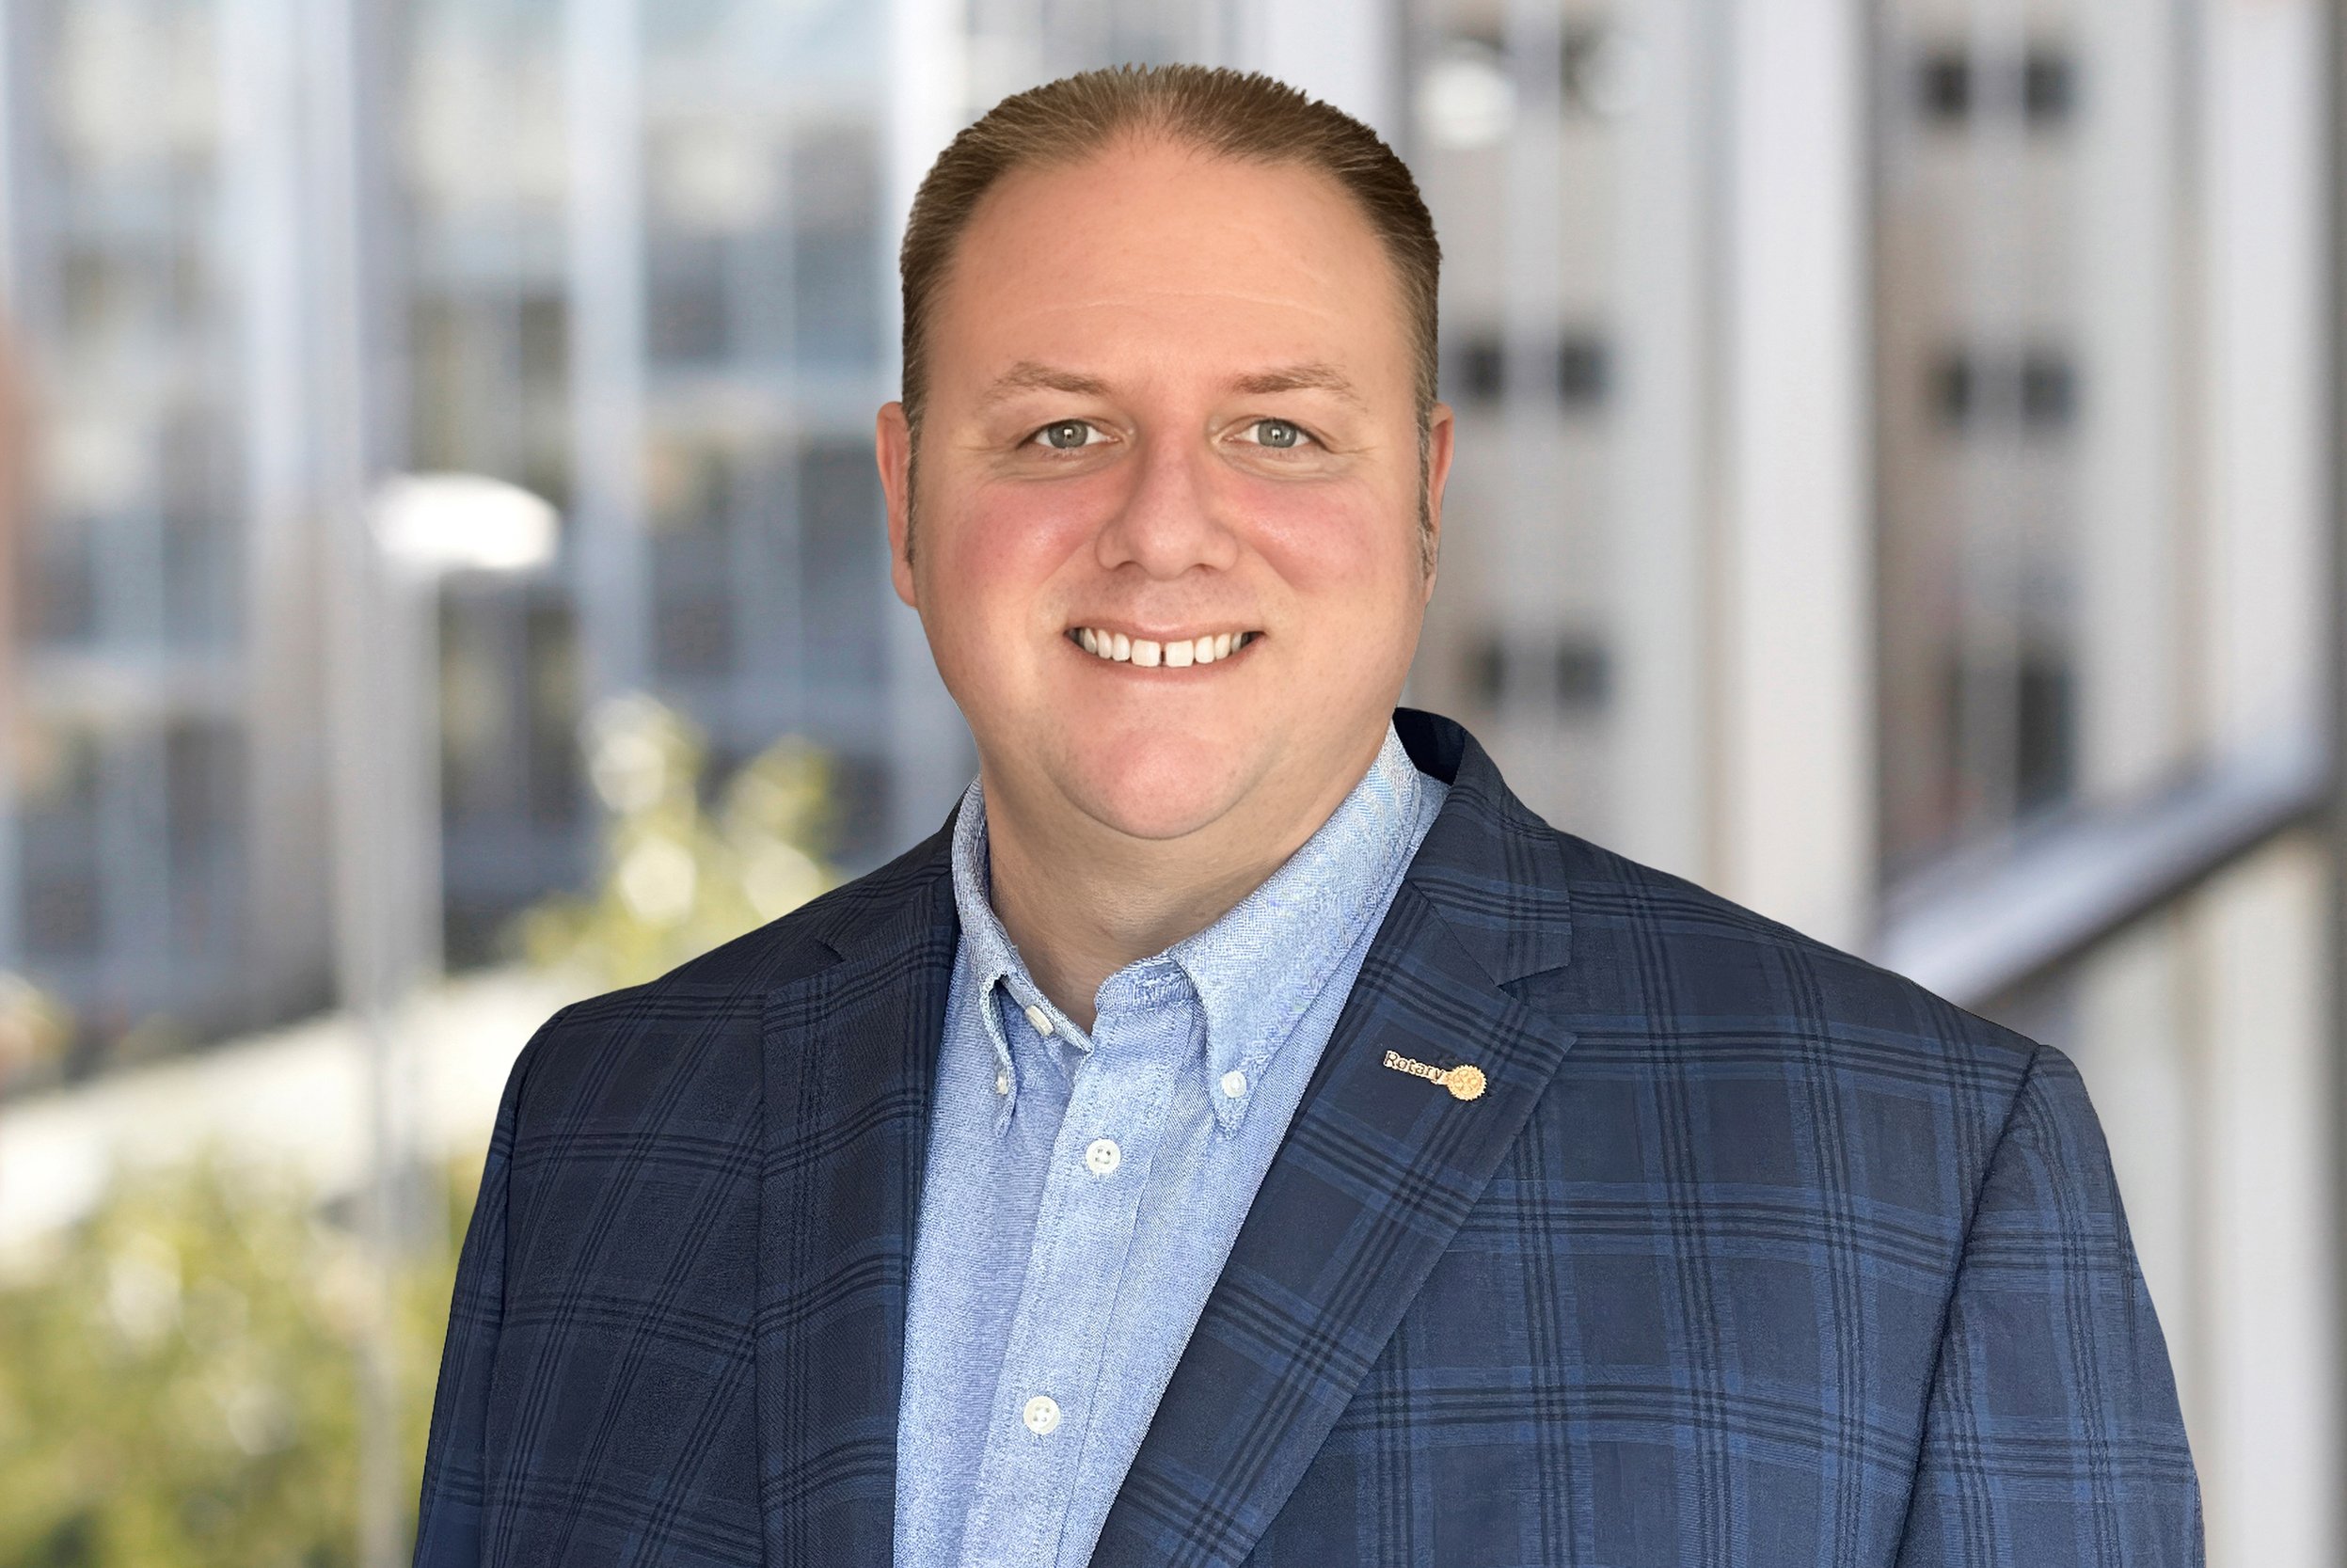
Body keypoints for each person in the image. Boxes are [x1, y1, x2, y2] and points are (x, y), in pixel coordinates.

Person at [412, 64, 2200, 1568]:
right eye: (1057, 435)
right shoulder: (607, 1124)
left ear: (1424, 497)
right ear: (903, 498)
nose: (1164, 528)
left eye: (1276, 433)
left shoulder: (1919, 1176)